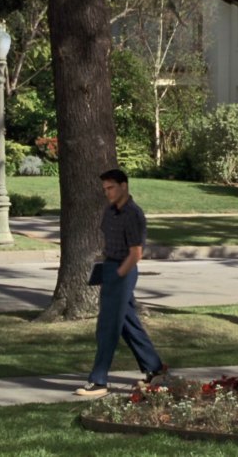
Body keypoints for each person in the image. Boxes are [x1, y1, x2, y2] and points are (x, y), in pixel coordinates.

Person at [75, 168, 167, 396]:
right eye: (105, 188)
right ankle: (155, 368)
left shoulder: (133, 214)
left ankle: (98, 381)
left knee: (107, 327)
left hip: (123, 271)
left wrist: (118, 276)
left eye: (111, 187)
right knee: (127, 323)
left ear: (124, 186)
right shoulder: (110, 212)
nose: (107, 192)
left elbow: (136, 254)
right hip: (109, 267)